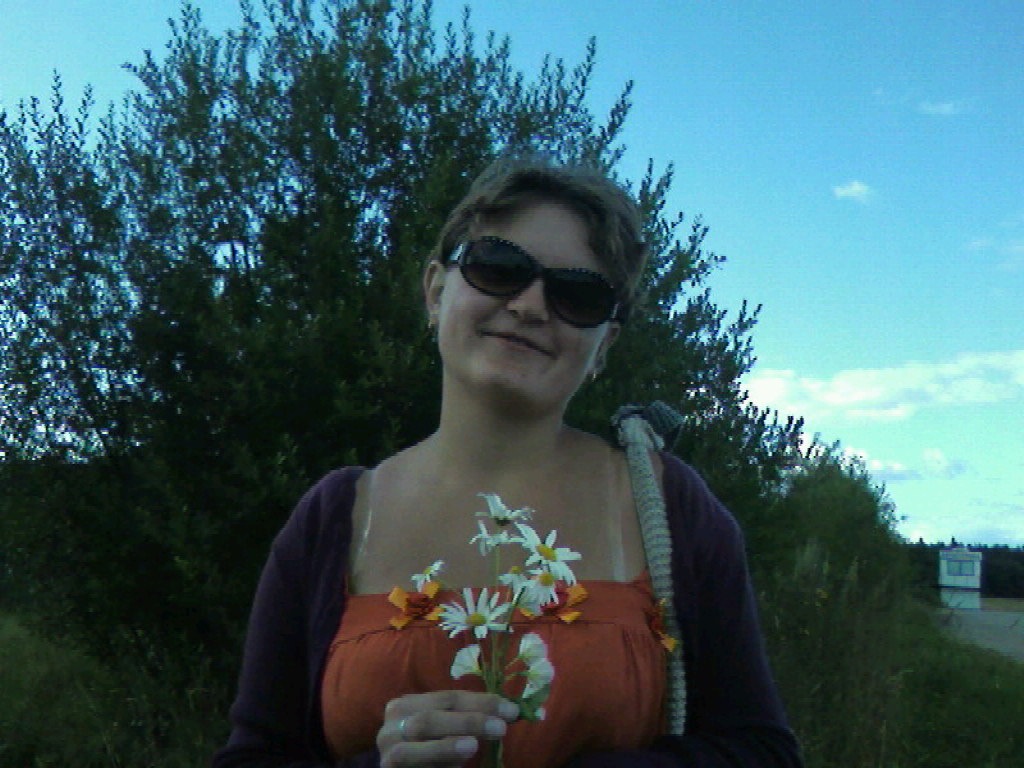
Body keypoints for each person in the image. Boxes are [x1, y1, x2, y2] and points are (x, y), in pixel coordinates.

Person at [213, 156, 802, 768]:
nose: (530, 305)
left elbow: (763, 751)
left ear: (604, 344)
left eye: (579, 294)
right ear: (436, 291)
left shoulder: (667, 504)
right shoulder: (335, 519)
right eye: (498, 268)